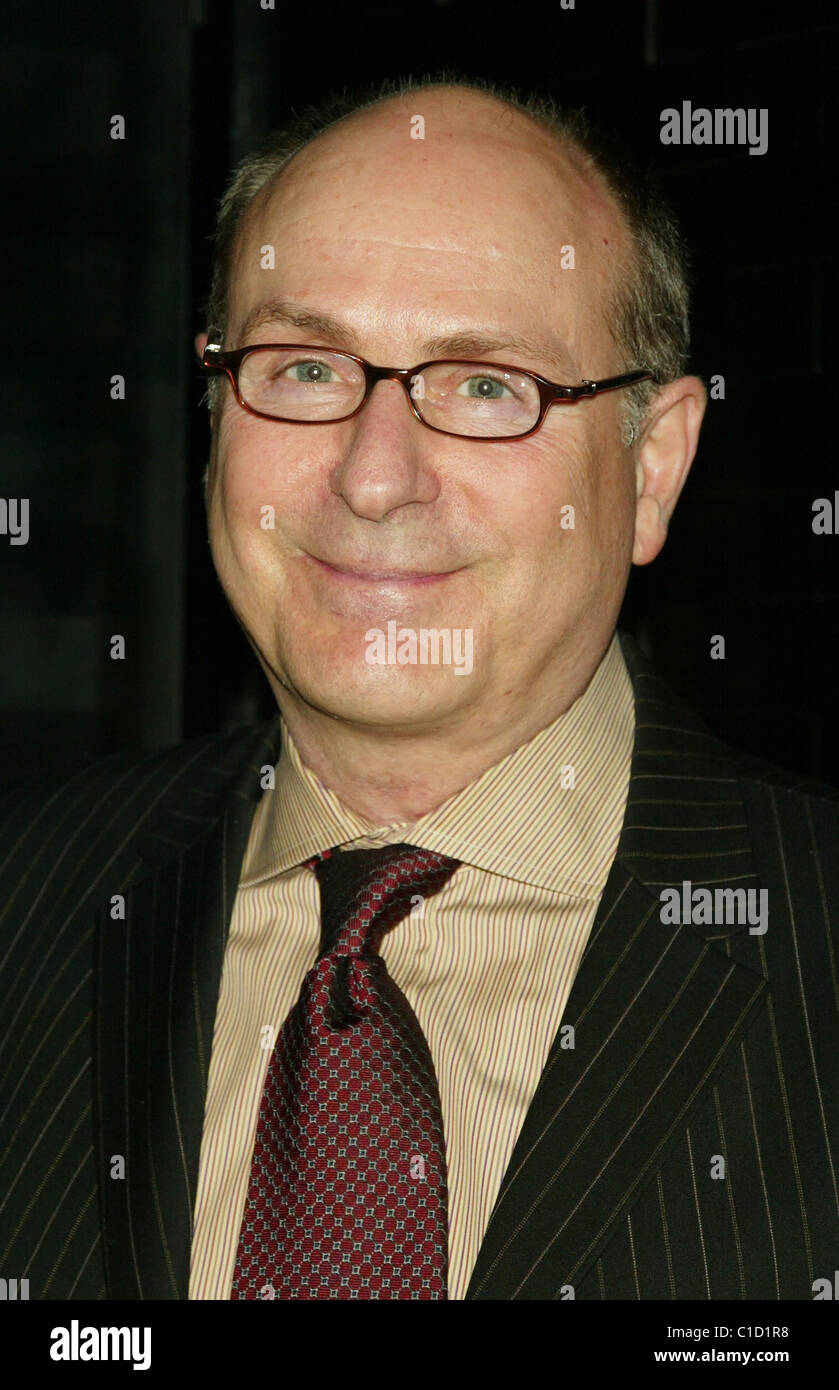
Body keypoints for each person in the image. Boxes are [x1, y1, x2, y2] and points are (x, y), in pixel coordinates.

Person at [1, 74, 837, 1303]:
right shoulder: (30, 900)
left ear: (650, 467)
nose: (374, 477)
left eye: (485, 384)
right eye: (301, 368)